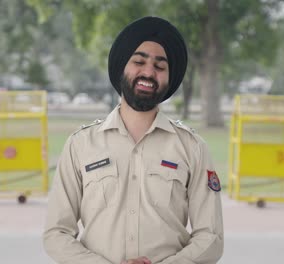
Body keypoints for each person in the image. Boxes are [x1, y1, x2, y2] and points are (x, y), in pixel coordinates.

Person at [43, 16, 224, 264]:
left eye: (160, 66)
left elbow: (211, 237)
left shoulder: (192, 148)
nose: (148, 72)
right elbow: (56, 233)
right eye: (139, 61)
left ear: (169, 79)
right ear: (122, 68)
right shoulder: (81, 145)